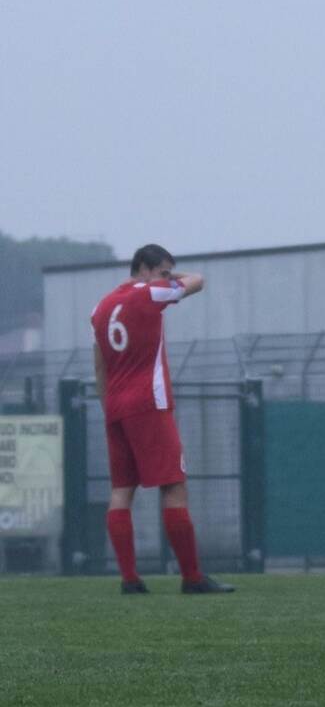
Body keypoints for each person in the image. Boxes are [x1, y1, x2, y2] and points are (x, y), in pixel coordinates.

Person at [90, 244, 233, 594]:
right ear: (144, 268)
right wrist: (172, 277)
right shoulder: (149, 293)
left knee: (121, 491)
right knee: (174, 486)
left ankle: (130, 580)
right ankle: (192, 577)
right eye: (163, 272)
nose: (167, 279)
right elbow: (198, 281)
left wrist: (107, 407)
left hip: (115, 407)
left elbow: (99, 367)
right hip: (149, 404)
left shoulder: (101, 307)